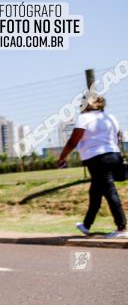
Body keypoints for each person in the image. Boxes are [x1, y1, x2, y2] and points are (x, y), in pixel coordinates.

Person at [57, 94, 126, 238]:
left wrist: (62, 157)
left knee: (109, 191)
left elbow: (73, 141)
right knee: (95, 192)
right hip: (114, 155)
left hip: (97, 159)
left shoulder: (84, 118)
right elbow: (118, 137)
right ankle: (86, 225)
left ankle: (122, 228)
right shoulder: (109, 117)